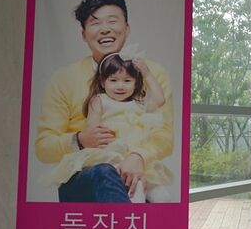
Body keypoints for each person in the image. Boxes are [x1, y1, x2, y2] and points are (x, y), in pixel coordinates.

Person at [34, 0, 174, 202]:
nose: (105, 29)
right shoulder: (64, 79)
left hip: (138, 170)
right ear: (83, 34)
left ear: (127, 28)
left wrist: (138, 155)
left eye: (112, 21)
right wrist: (80, 140)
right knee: (105, 172)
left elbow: (165, 135)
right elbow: (44, 147)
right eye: (95, 23)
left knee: (159, 195)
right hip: (86, 174)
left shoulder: (152, 73)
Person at [41, 51, 173, 202]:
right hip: (112, 153)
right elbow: (93, 130)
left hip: (134, 157)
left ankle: (156, 212)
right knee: (135, 190)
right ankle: (132, 212)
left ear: (136, 83)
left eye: (127, 81)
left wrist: (147, 74)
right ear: (103, 82)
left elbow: (159, 99)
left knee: (162, 196)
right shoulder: (99, 100)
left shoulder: (139, 102)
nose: (120, 86)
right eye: (113, 80)